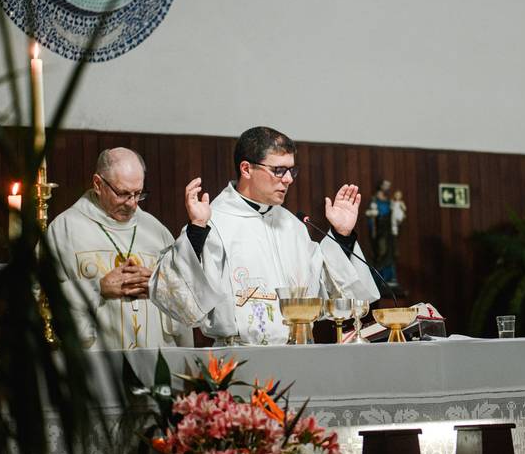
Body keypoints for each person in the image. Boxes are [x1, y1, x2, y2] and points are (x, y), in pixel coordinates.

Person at [149, 126, 380, 345]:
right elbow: (178, 300)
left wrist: (341, 235)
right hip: (240, 356)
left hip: (300, 351)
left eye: (292, 170)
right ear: (246, 169)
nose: (288, 179)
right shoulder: (214, 221)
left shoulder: (293, 226)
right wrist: (197, 230)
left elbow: (328, 293)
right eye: (279, 170)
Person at [46, 147, 193, 350]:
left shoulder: (156, 231)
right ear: (98, 184)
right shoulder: (65, 230)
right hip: (96, 362)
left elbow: (186, 300)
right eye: (123, 194)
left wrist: (158, 284)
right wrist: (98, 288)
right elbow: (41, 298)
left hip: (155, 360)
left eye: (138, 194)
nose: (132, 204)